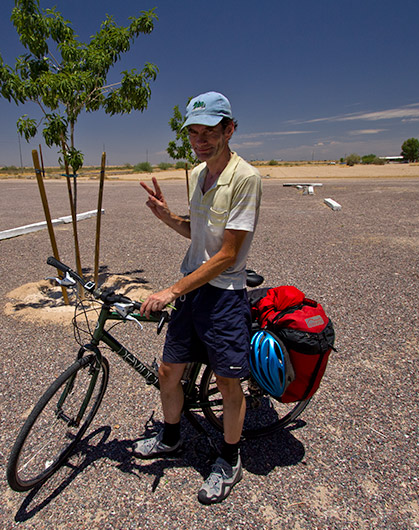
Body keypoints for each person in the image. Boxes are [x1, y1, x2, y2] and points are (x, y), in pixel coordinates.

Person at [134, 91, 262, 504]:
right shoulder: (196, 173)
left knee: (228, 382)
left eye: (210, 131)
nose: (200, 140)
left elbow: (227, 253)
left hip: (224, 295)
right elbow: (199, 234)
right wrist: (166, 216)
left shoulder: (245, 178)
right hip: (192, 289)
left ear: (230, 129)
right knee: (170, 371)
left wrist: (171, 290)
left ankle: (229, 459)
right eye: (193, 132)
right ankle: (171, 438)